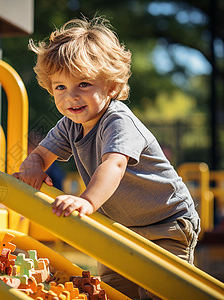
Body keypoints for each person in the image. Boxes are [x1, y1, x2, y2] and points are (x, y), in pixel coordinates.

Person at [12, 16, 200, 299]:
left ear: (111, 87)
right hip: (120, 229)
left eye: (84, 84)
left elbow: (114, 163)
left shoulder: (118, 121)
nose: (71, 97)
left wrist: (87, 200)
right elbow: (39, 153)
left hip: (166, 224)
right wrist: (33, 168)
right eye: (60, 87)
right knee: (111, 292)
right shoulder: (69, 125)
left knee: (160, 291)